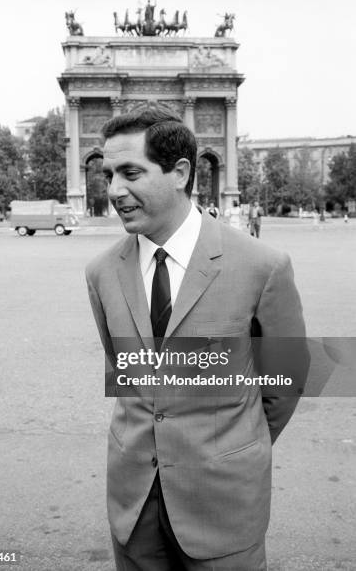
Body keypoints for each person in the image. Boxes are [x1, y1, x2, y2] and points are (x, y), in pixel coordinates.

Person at [86, 105, 309, 570]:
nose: (114, 191)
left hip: (223, 503)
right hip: (134, 506)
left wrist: (232, 443)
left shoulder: (262, 266)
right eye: (108, 175)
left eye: (130, 173)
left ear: (180, 172)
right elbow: (129, 374)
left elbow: (286, 380)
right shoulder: (101, 271)